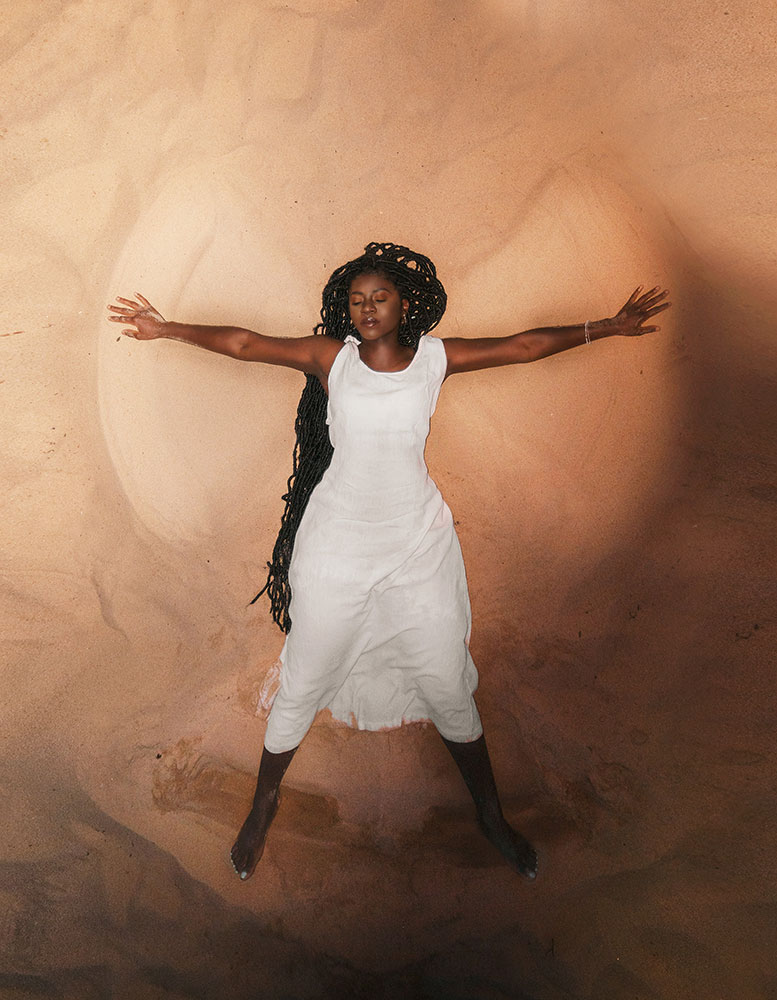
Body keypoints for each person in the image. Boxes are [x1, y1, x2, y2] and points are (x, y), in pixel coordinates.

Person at [108, 242, 669, 883]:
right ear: (345, 310)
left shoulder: (435, 358)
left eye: (380, 298)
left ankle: (491, 816)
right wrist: (166, 327)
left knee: (445, 677)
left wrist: (609, 326)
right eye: (357, 299)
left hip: (415, 545)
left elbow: (522, 346)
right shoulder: (332, 359)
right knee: (307, 673)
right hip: (338, 543)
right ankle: (263, 803)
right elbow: (244, 343)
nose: (368, 308)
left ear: (405, 304)